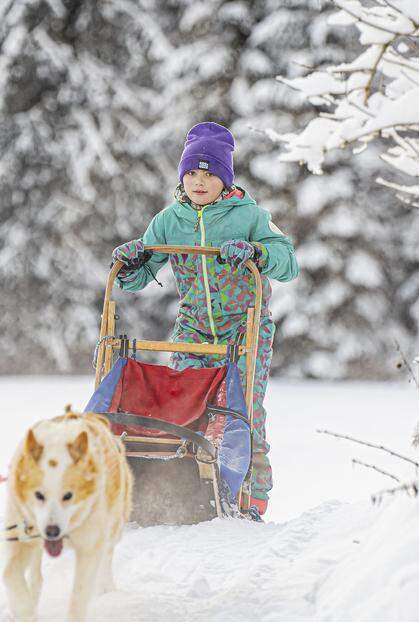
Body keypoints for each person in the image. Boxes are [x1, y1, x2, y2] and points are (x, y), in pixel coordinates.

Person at [111, 121, 298, 518]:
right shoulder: (169, 220)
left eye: (209, 173)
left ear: (224, 177)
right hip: (193, 328)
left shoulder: (250, 215)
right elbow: (140, 276)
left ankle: (252, 496)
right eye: (192, 173)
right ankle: (188, 490)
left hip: (244, 328)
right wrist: (130, 262)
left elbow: (288, 264)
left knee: (243, 410)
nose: (199, 181)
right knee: (183, 408)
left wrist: (254, 251)